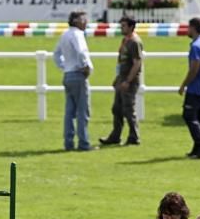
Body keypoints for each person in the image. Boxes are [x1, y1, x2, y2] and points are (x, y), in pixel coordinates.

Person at [53, 10, 97, 151]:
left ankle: (68, 142)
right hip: (78, 75)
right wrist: (85, 67)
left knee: (69, 112)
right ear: (77, 21)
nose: (86, 22)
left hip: (68, 74)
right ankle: (83, 143)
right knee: (83, 111)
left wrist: (64, 66)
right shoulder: (78, 34)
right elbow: (81, 51)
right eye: (84, 20)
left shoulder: (65, 34)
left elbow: (56, 54)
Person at [99, 15, 143, 146]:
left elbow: (137, 63)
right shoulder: (125, 40)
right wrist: (118, 79)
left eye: (124, 26)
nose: (121, 28)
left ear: (131, 27)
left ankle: (134, 136)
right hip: (122, 78)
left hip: (129, 80)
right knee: (117, 108)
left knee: (128, 109)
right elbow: (121, 61)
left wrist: (128, 81)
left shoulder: (135, 42)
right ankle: (115, 135)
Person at [178, 17, 200, 159]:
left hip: (195, 88)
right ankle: (197, 148)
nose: (187, 30)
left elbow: (194, 69)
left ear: (193, 28)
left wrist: (183, 85)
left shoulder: (196, 46)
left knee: (189, 116)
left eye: (188, 27)